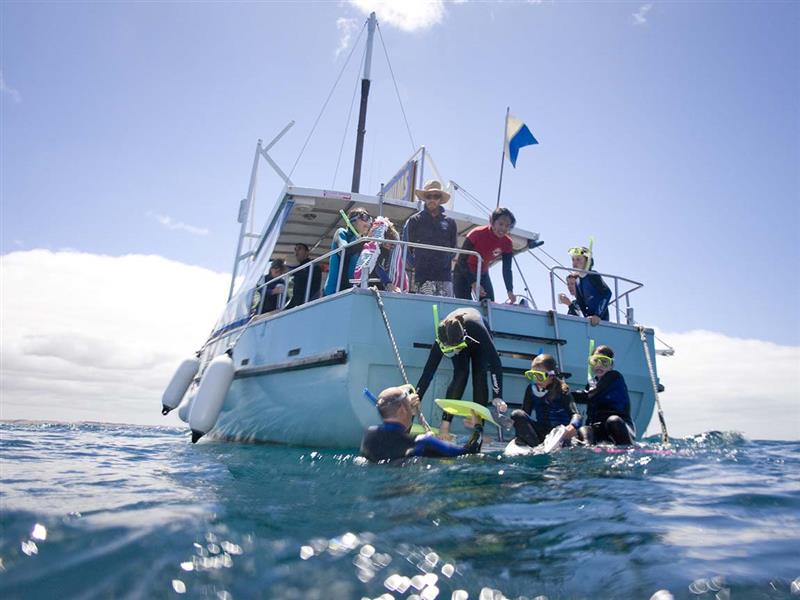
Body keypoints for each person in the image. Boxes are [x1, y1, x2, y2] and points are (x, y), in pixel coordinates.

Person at [415, 306, 507, 440]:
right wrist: (418, 396)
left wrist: (498, 396)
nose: (454, 353)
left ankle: (478, 430)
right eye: (449, 351)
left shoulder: (477, 328)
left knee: (479, 376)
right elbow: (429, 371)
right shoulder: (441, 339)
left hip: (477, 338)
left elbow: (495, 362)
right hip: (457, 339)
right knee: (461, 374)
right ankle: (444, 428)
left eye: (456, 349)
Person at [360, 386, 483, 462]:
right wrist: (478, 427)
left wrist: (404, 406)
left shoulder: (369, 436)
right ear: (402, 410)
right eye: (409, 406)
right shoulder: (423, 442)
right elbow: (470, 452)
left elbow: (395, 438)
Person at [510, 354, 582, 449]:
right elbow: (524, 414)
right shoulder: (531, 389)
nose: (536, 380)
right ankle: (536, 447)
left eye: (539, 376)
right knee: (517, 414)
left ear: (551, 375)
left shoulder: (562, 390)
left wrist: (572, 426)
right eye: (532, 375)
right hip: (541, 432)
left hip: (558, 434)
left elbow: (576, 415)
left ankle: (544, 446)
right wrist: (516, 426)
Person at [572, 345, 635, 445]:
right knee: (584, 429)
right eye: (595, 361)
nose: (599, 365)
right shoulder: (591, 384)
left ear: (611, 365)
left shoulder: (614, 377)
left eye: (604, 362)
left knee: (613, 421)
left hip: (620, 427)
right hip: (600, 429)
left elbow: (592, 395)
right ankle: (587, 450)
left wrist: (568, 394)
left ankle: (627, 447)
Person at [405, 180, 457, 296]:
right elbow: (408, 248)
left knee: (446, 311)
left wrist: (444, 261)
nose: (432, 199)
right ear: (424, 198)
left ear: (440, 199)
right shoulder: (415, 220)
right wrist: (416, 264)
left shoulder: (450, 222)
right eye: (429, 196)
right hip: (423, 276)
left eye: (436, 196)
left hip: (445, 276)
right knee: (424, 310)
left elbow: (454, 249)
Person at [452, 207, 516, 303]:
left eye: (507, 226)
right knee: (465, 307)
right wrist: (473, 283)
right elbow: (461, 260)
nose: (503, 228)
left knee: (489, 304)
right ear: (492, 221)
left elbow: (507, 269)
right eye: (501, 224)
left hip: (482, 273)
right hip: (463, 272)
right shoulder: (476, 234)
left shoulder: (507, 242)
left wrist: (509, 290)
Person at [324, 207, 373, 296]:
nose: (368, 222)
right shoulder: (341, 232)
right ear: (353, 221)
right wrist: (364, 241)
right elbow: (344, 251)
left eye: (369, 219)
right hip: (335, 290)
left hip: (353, 288)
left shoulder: (363, 242)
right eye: (365, 217)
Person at [565, 245, 611, 325]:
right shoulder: (578, 281)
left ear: (587, 261)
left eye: (578, 259)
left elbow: (607, 293)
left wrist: (597, 315)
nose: (574, 263)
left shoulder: (593, 276)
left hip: (601, 320)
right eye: (573, 259)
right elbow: (581, 302)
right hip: (589, 320)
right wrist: (585, 317)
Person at [285, 243, 321, 309]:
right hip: (298, 304)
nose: (296, 251)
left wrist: (290, 270)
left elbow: (304, 275)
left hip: (308, 303)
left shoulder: (314, 265)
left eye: (299, 249)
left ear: (307, 252)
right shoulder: (300, 268)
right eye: (295, 249)